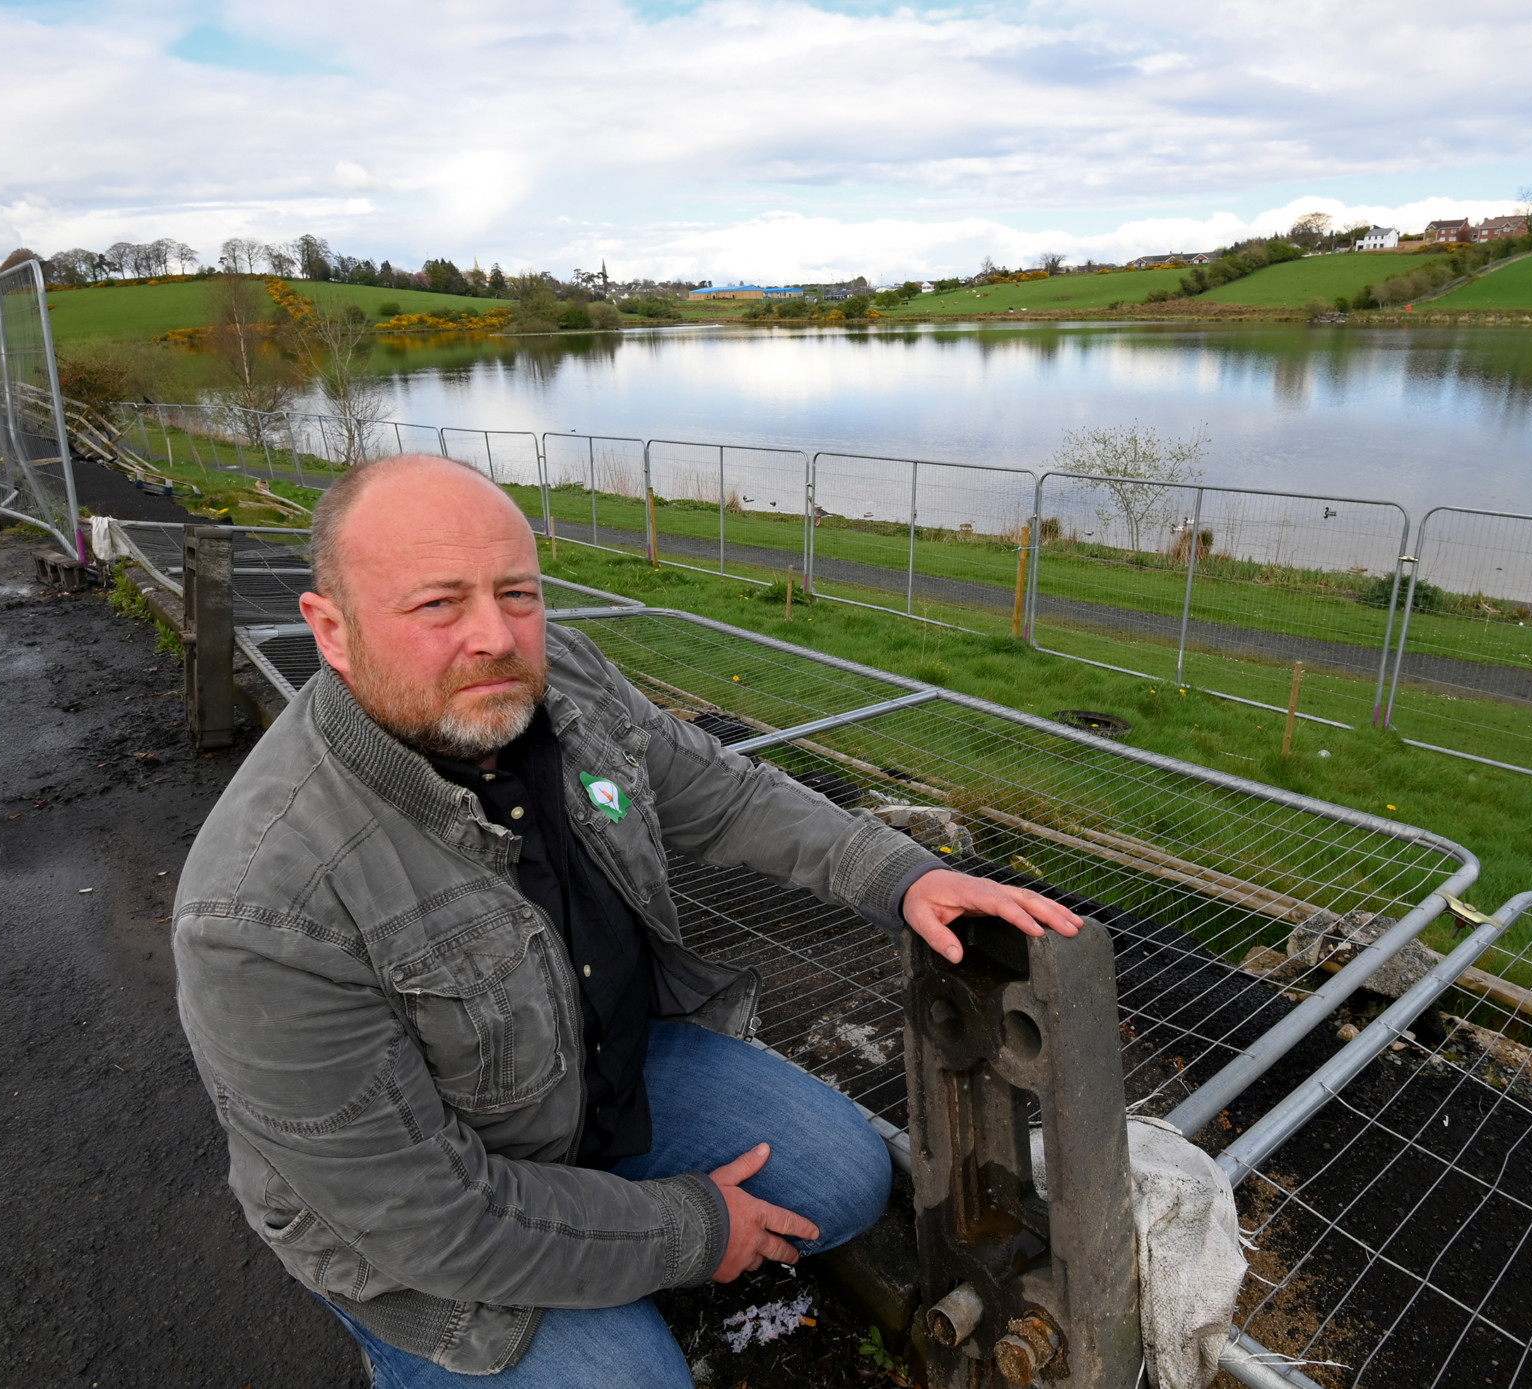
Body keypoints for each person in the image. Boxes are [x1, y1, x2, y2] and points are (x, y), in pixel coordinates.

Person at [172, 455, 1081, 1387]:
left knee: (847, 1183)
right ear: (332, 629)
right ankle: (447, 1337)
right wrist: (691, 1230)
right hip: (424, 1227)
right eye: (438, 604)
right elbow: (426, 1215)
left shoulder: (561, 678)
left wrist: (900, 875)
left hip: (595, 1073)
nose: (496, 636)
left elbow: (720, 792)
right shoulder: (262, 908)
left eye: (517, 592)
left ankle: (596, 1244)